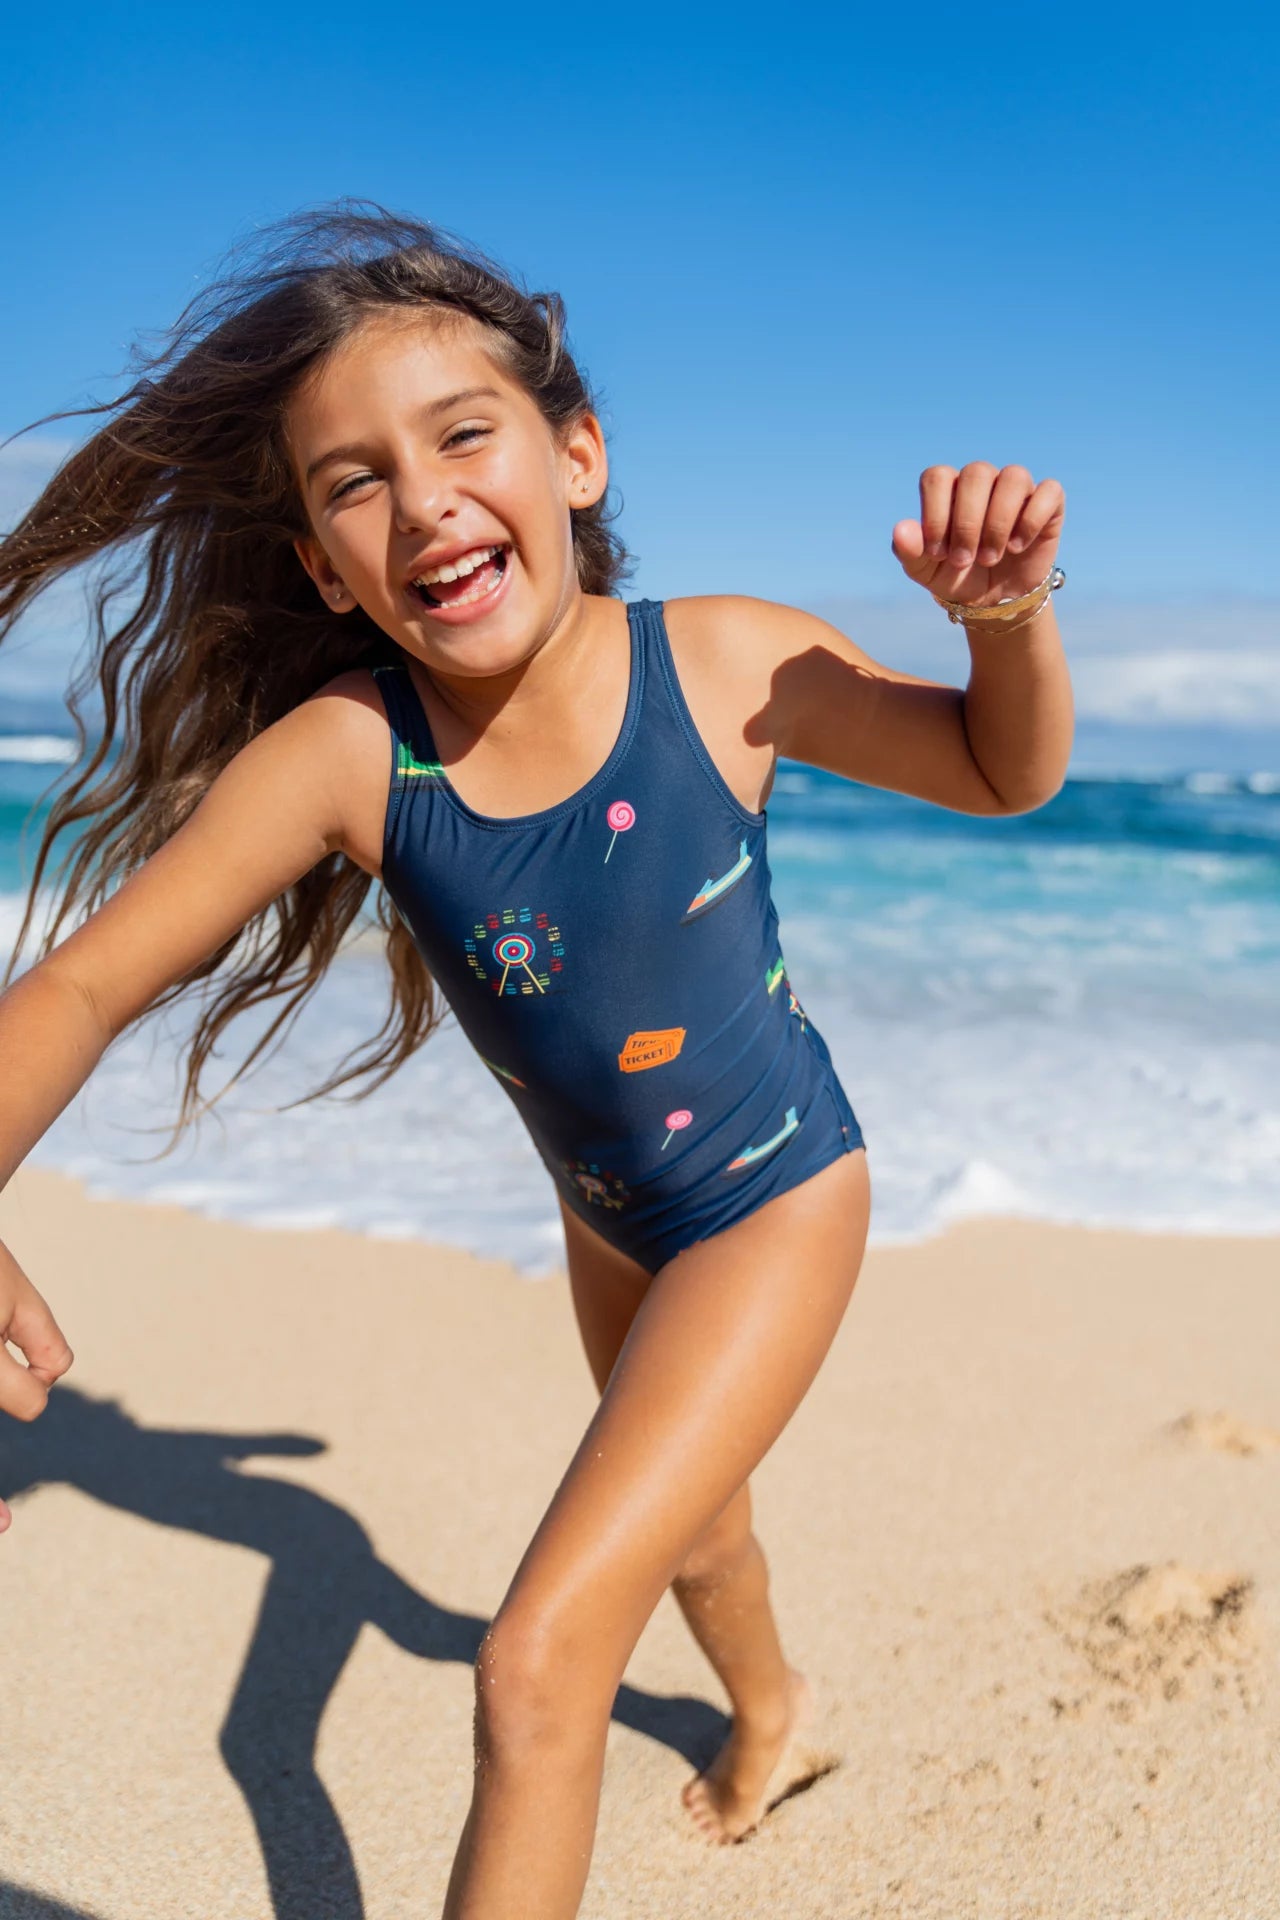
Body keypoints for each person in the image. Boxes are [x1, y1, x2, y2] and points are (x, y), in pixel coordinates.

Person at [0, 206, 1072, 1918]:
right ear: (321, 570)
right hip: (607, 1219)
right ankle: (773, 1705)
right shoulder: (354, 755)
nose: (419, 499)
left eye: (462, 435)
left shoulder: (726, 665)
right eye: (352, 483)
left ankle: (747, 1701)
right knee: (695, 1530)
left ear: (575, 456)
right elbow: (71, 994)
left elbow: (1002, 775)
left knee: (538, 1662)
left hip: (782, 1196)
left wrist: (1009, 623)